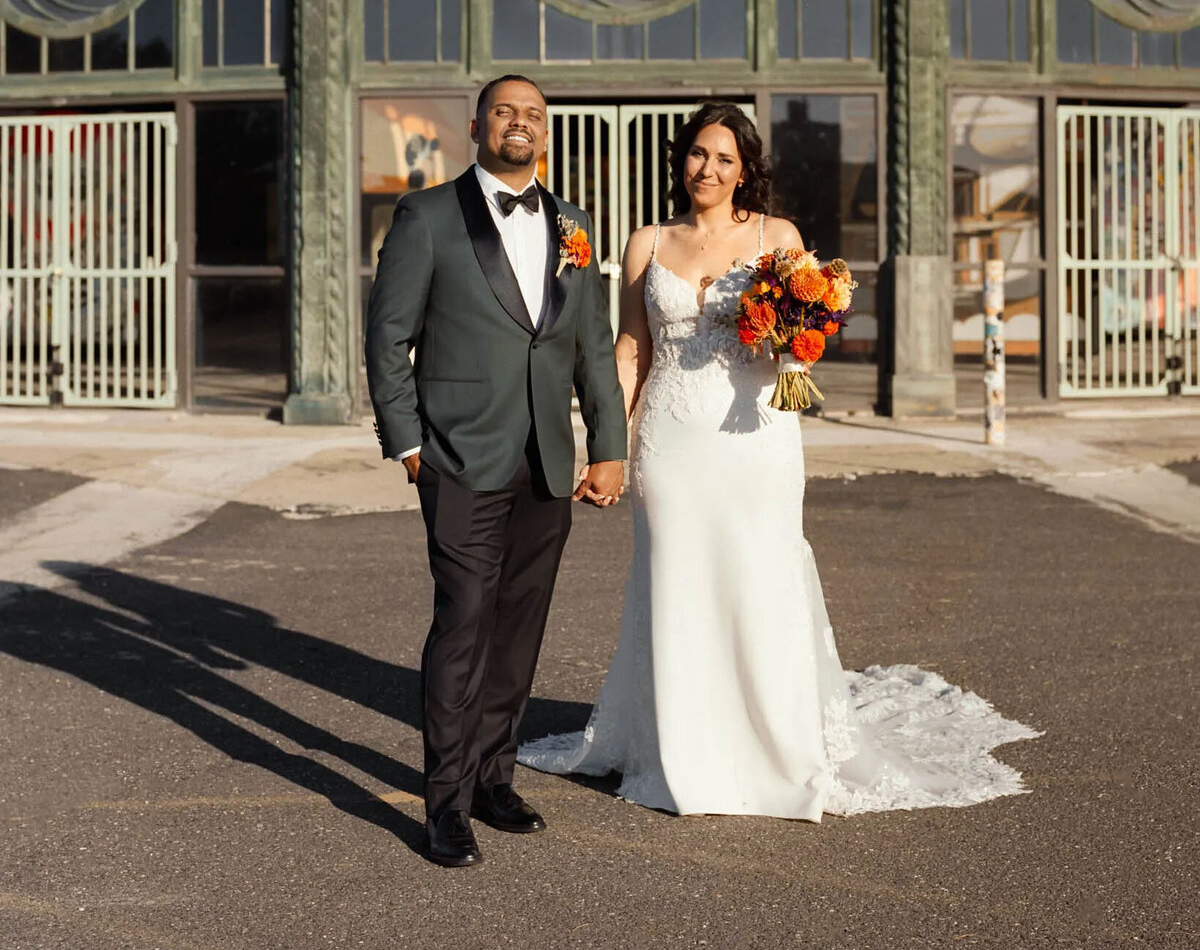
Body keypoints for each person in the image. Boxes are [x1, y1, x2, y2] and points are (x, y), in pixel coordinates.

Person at [519, 101, 1040, 818]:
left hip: (756, 438)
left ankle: (774, 744)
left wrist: (795, 341)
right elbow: (633, 348)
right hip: (670, 443)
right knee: (676, 581)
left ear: (746, 170)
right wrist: (607, 444)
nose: (709, 168)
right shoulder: (647, 242)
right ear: (683, 159)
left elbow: (806, 345)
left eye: (725, 159)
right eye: (700, 153)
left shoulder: (777, 236)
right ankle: (684, 748)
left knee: (759, 581)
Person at [365, 75, 626, 866]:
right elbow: (389, 337)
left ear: (547, 132)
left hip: (546, 459)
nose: (521, 123)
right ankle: (444, 803)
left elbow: (590, 347)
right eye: (506, 111)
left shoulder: (574, 224)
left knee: (519, 631)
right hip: (458, 457)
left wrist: (607, 444)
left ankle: (493, 777)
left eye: (535, 114)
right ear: (477, 124)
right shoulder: (429, 215)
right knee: (463, 624)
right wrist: (407, 442)